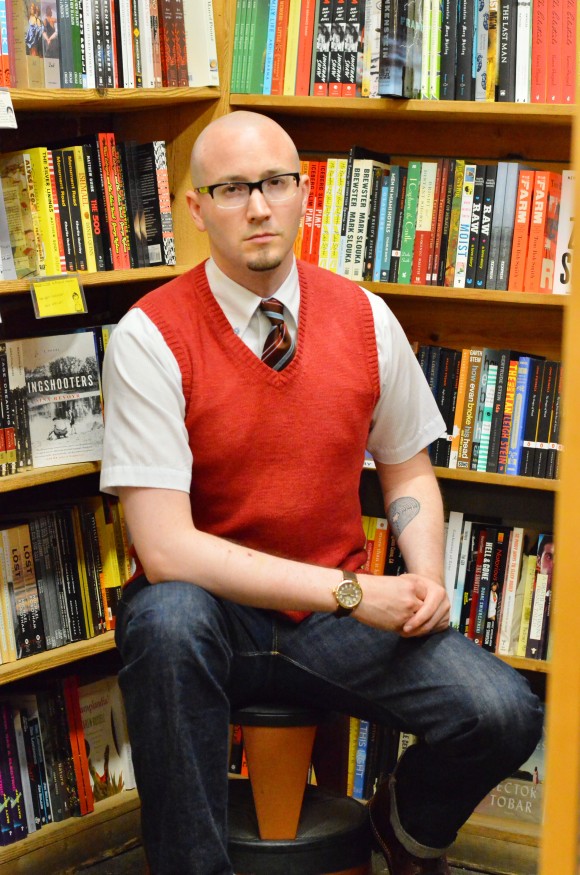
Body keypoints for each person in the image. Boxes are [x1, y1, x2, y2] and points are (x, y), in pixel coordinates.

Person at [100, 111, 543, 875]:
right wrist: (350, 591)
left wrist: (427, 577)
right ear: (196, 208)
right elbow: (166, 549)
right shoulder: (149, 336)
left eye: (275, 182)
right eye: (232, 189)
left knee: (504, 712)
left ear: (306, 192)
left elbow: (406, 468)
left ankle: (403, 829)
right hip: (211, 616)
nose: (259, 206)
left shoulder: (367, 318)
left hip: (332, 622)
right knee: (164, 622)